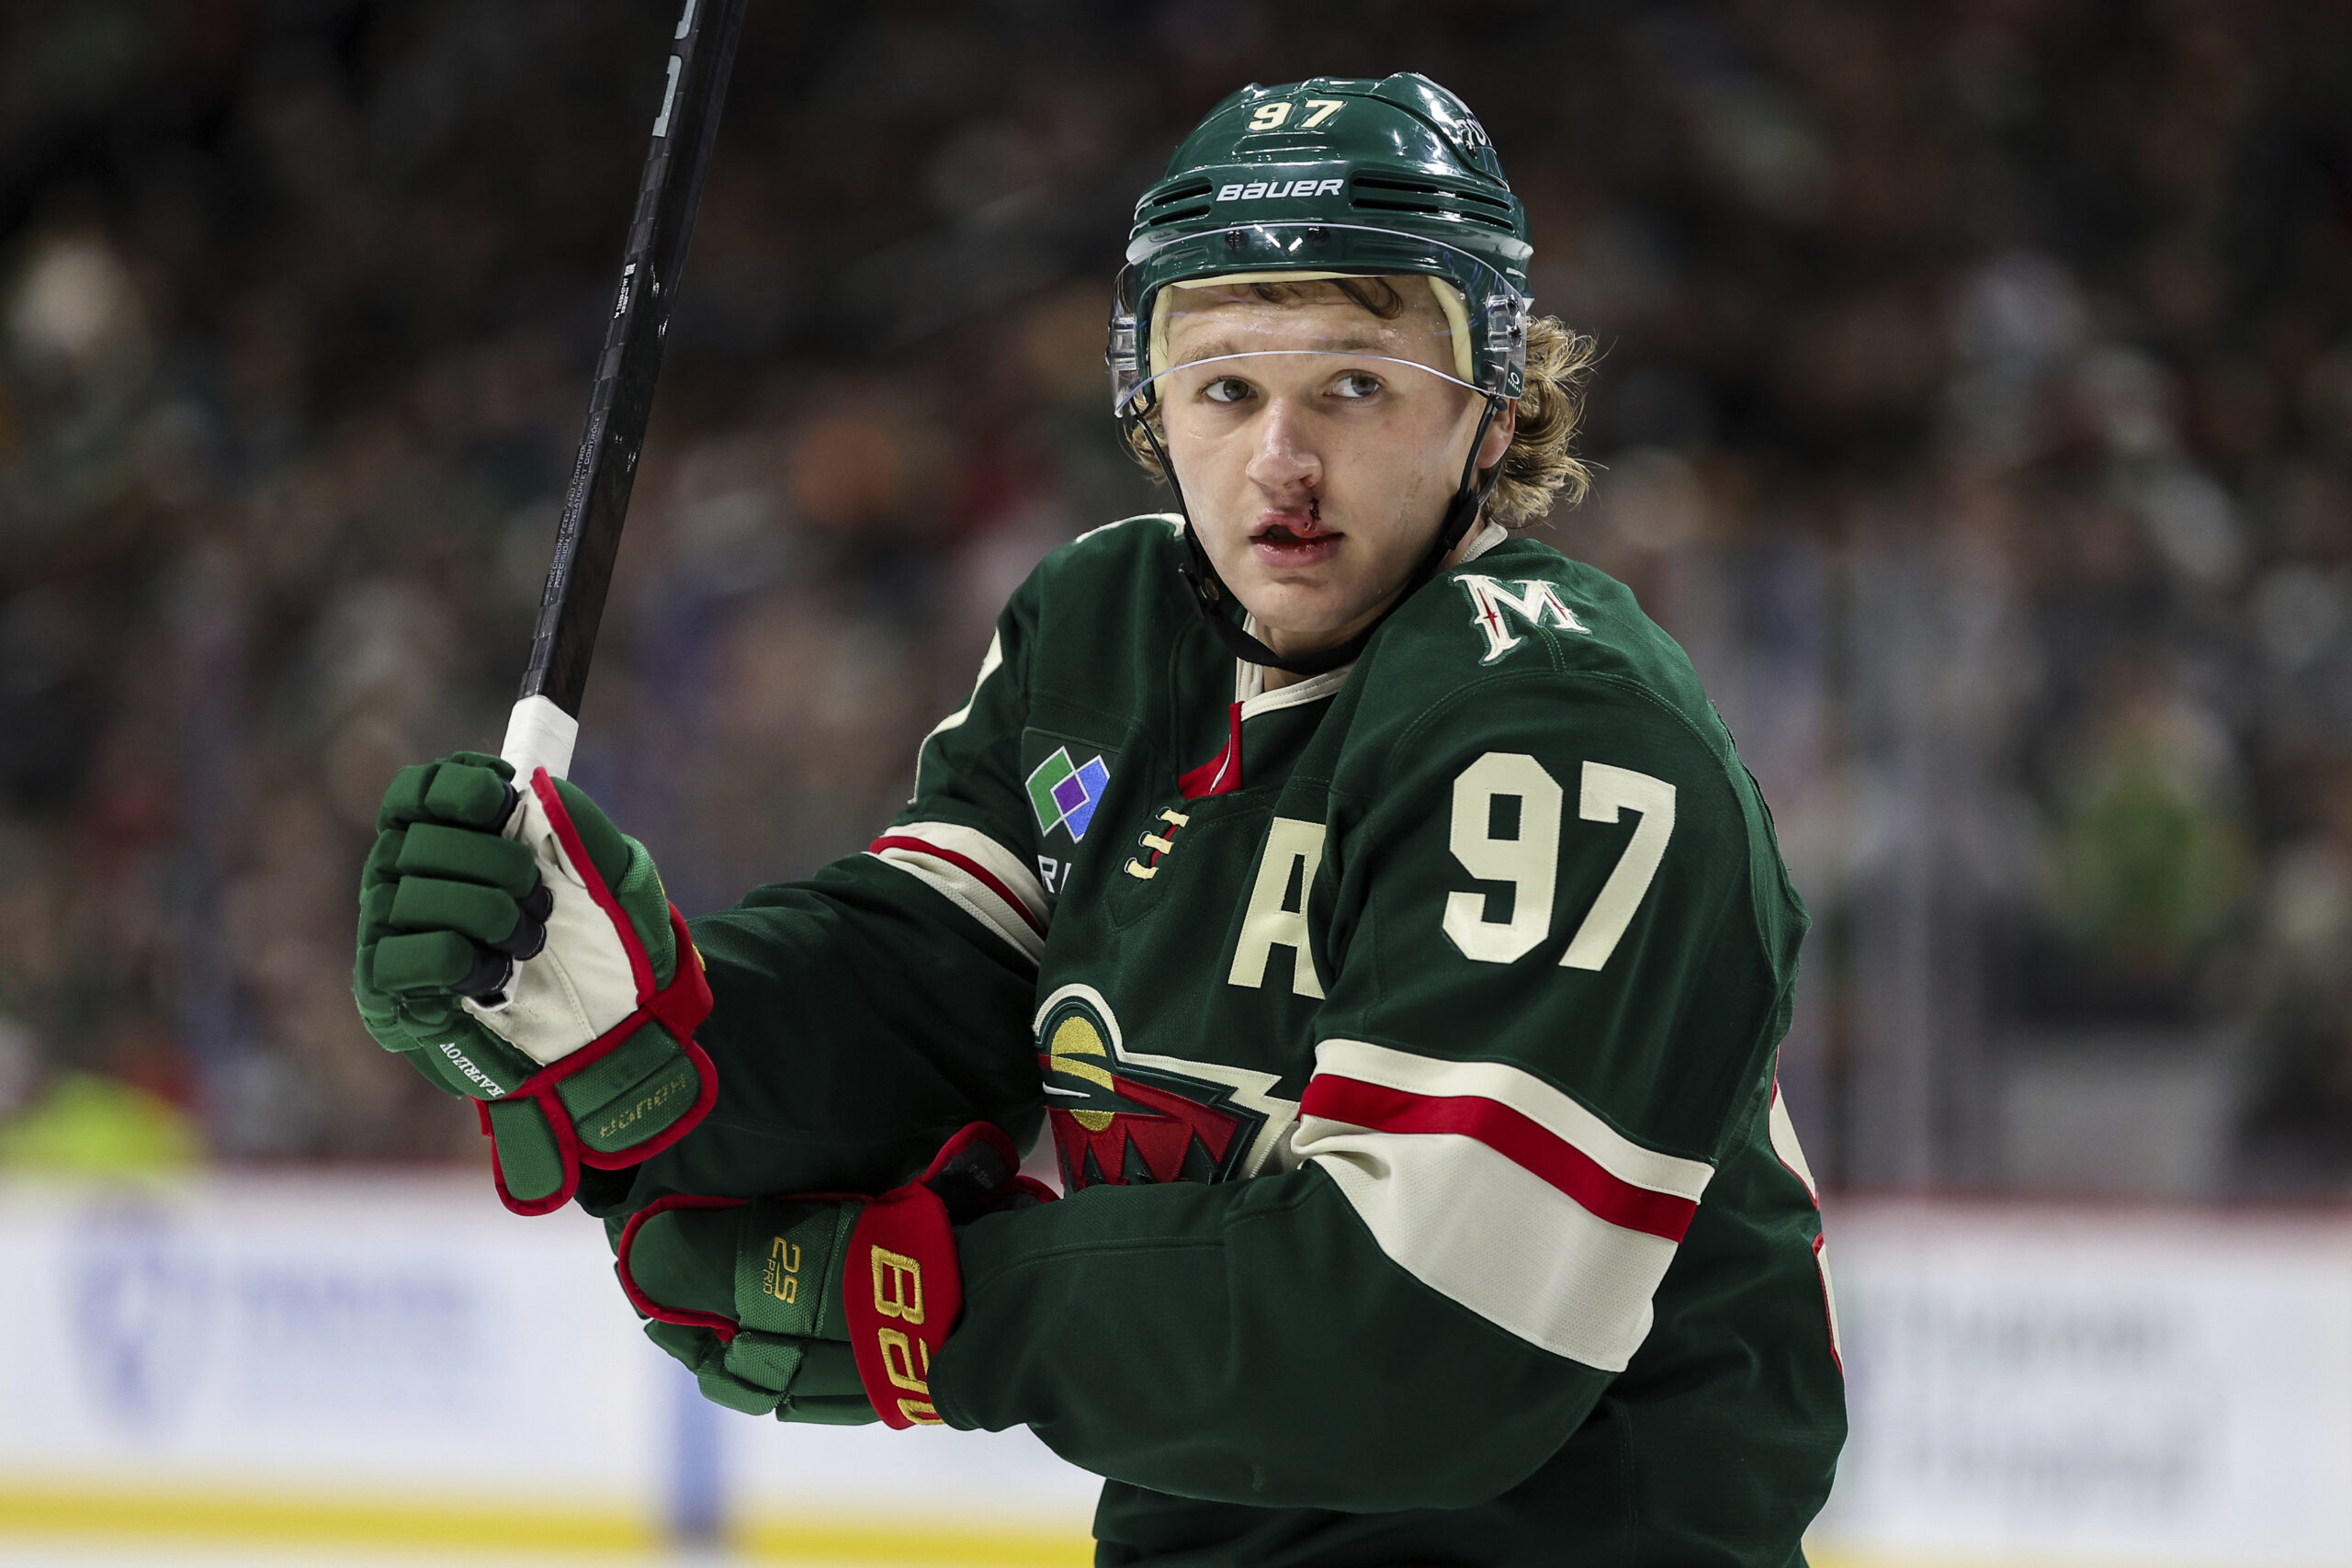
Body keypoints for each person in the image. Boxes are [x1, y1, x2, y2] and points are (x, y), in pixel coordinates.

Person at [355, 73, 1846, 1566]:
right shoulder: (1108, 636)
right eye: (1226, 388)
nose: (1282, 459)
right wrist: (657, 1029)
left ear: (1494, 407)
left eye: (1355, 385)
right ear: (1149, 403)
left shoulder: (1569, 736)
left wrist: (954, 1314)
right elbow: (923, 997)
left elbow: (1426, 1342)